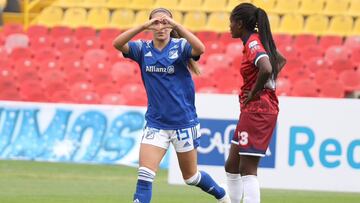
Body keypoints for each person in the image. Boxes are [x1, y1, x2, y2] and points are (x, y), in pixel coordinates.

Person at [113, 8, 230, 203]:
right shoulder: (142, 49)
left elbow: (200, 49)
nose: (160, 27)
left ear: (171, 25)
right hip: (156, 124)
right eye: (156, 23)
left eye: (165, 23)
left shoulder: (181, 46)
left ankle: (222, 194)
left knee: (191, 177)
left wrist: (176, 25)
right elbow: (117, 44)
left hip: (183, 123)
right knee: (144, 175)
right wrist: (143, 26)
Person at [224, 3, 286, 203]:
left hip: (259, 109)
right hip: (252, 109)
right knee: (232, 165)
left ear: (240, 24)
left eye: (231, 22)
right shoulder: (256, 41)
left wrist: (255, 90)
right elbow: (280, 60)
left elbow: (267, 67)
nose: (229, 27)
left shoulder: (252, 43)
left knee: (247, 169)